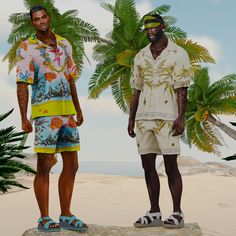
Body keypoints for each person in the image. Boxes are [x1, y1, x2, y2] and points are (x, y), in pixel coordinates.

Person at [16, 5, 88, 232]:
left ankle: (66, 214)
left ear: (49, 17)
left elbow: (71, 79)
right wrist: (23, 118)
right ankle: (44, 217)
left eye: (43, 17)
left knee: (72, 164)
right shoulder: (27, 48)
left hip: (67, 113)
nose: (41, 21)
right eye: (36, 19)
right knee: (44, 166)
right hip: (44, 114)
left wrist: (78, 109)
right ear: (32, 23)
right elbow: (22, 84)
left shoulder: (65, 44)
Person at [128, 14, 191, 228]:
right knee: (148, 166)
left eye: (154, 26)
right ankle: (154, 212)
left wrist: (181, 116)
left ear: (163, 26)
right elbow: (135, 90)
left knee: (171, 166)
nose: (150, 30)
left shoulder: (178, 54)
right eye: (147, 27)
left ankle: (177, 213)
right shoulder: (140, 56)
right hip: (144, 118)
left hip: (167, 117)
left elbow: (182, 88)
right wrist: (131, 119)